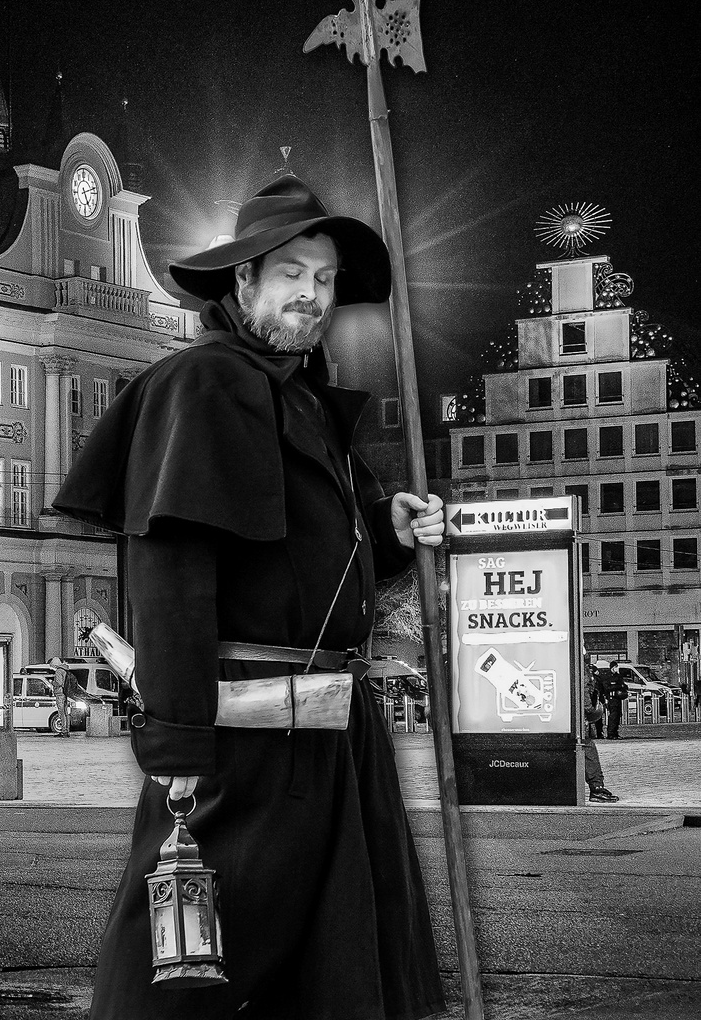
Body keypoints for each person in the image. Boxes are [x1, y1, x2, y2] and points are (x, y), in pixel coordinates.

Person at [54, 176, 447, 1020]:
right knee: (191, 985)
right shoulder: (205, 384)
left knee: (330, 977)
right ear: (242, 283)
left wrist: (389, 526)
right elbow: (172, 572)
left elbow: (311, 566)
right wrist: (179, 745)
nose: (312, 294)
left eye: (326, 278)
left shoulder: (300, 396)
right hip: (244, 751)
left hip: (337, 748)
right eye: (291, 273)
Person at [593, 658, 628, 739]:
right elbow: (607, 687)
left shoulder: (618, 676)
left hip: (618, 698)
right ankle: (611, 733)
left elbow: (624, 685)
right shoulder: (607, 677)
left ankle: (615, 732)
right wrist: (619, 686)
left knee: (617, 716)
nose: (617, 668)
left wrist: (622, 687)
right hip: (611, 699)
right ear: (612, 668)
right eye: (616, 667)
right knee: (613, 716)